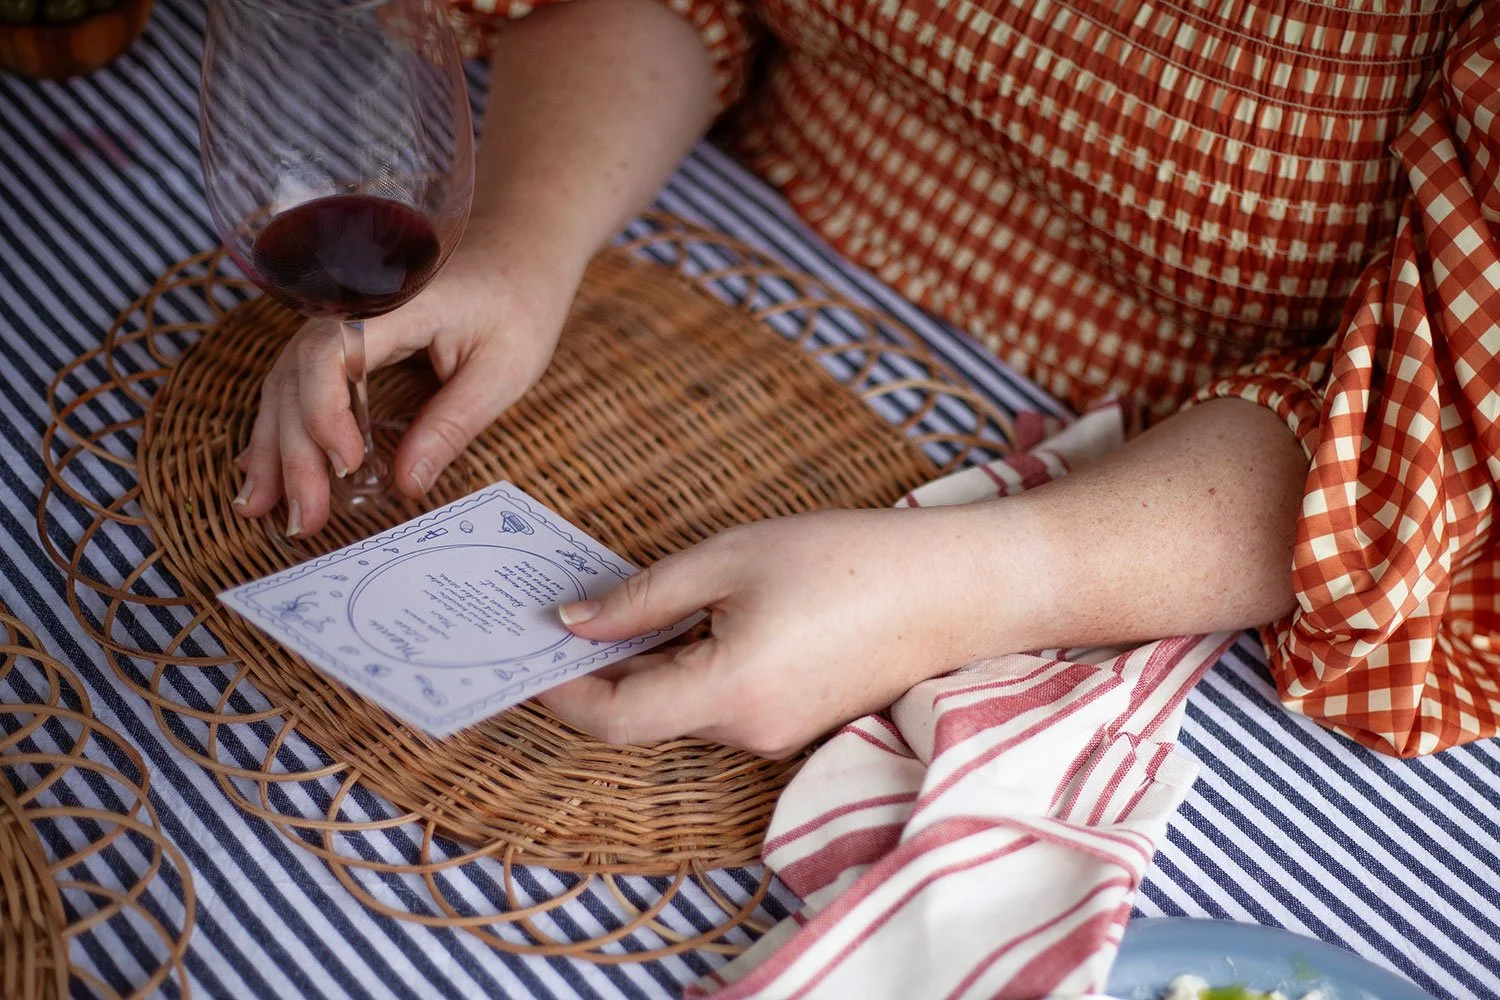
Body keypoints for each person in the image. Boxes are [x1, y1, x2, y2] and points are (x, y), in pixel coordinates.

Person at [232, 0, 1500, 759]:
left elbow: (1437, 416)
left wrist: (974, 585)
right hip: (693, 205)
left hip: (1176, 524)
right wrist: (520, 235)